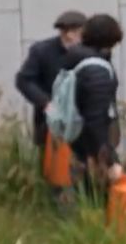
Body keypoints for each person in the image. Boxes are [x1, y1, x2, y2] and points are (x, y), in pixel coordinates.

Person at [63, 13, 125, 189]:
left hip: (77, 144)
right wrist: (109, 161)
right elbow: (95, 118)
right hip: (90, 151)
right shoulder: (96, 70)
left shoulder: (77, 58)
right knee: (99, 202)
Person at [15, 10, 87, 149]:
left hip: (84, 123)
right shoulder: (42, 51)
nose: (70, 36)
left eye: (75, 32)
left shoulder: (91, 51)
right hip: (51, 122)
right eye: (65, 32)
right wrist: (46, 103)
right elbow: (24, 80)